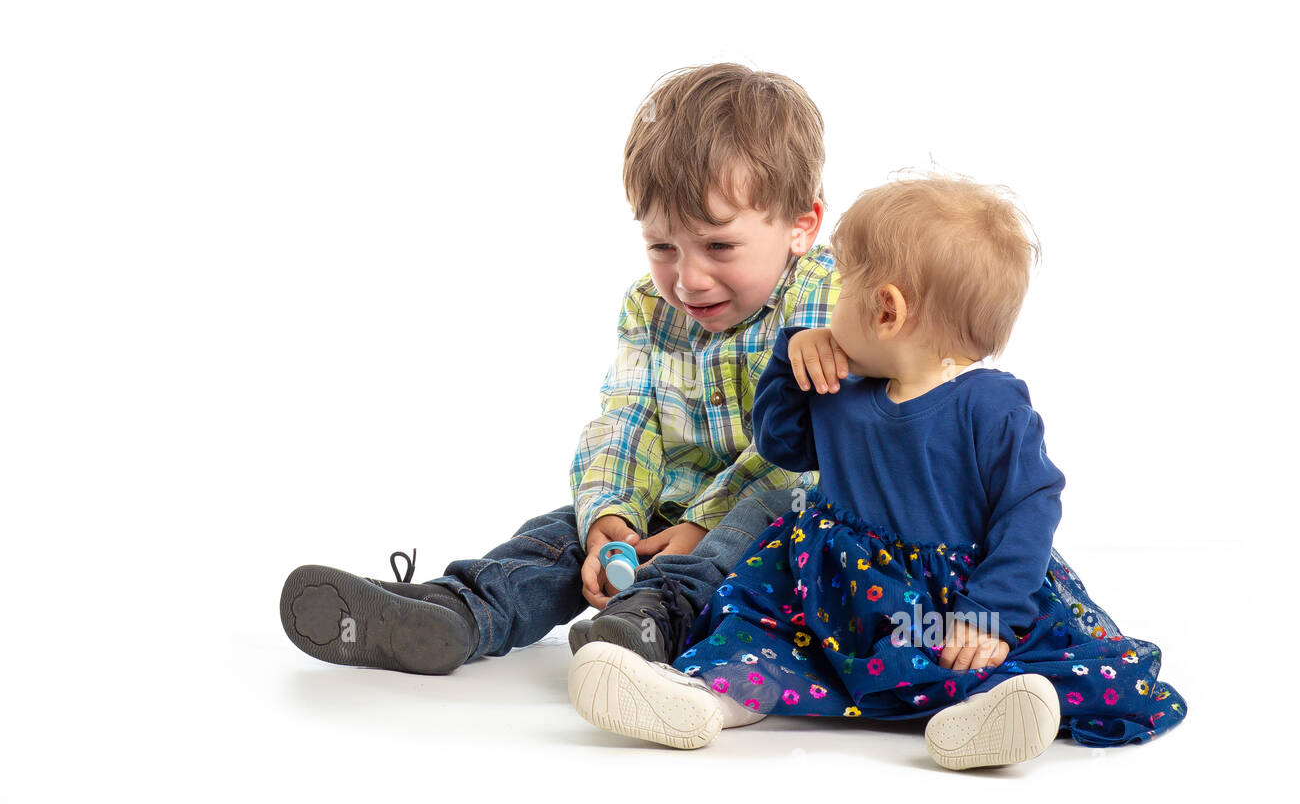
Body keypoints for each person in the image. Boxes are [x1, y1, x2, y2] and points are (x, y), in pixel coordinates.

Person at [569, 175, 1187, 768]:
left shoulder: (991, 405)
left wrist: (989, 611)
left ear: (885, 310)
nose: (828, 308)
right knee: (759, 632)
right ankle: (703, 700)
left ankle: (986, 713)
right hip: (834, 595)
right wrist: (789, 359)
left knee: (995, 656)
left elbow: (1031, 508)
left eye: (841, 292)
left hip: (949, 601)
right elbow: (780, 444)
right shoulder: (843, 390)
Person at [279, 63, 839, 674]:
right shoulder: (650, 308)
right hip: (667, 504)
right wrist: (611, 515)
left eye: (719, 246)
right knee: (556, 537)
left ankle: (651, 622)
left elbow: (795, 452)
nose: (688, 279)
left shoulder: (825, 302)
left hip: (764, 510)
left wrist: (702, 527)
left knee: (742, 549)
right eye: (662, 247)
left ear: (800, 226)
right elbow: (628, 416)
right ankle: (460, 611)